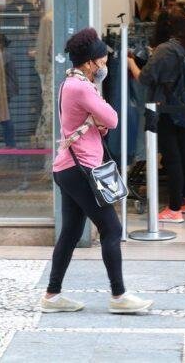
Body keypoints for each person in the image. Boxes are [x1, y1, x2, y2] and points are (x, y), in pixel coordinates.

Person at [42, 28, 153, 314]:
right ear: (90, 63)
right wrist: (99, 104)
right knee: (111, 229)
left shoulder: (70, 82)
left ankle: (52, 295)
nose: (105, 66)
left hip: (68, 167)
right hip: (82, 170)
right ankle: (119, 296)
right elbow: (113, 119)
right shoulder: (82, 87)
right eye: (102, 61)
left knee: (70, 232)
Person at [128, 9, 185, 223]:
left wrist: (130, 62)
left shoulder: (166, 49)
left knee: (172, 159)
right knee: (184, 156)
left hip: (166, 110)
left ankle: (174, 208)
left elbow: (144, 78)